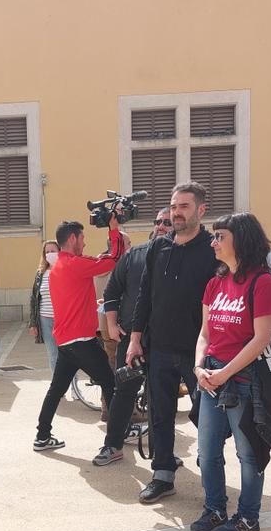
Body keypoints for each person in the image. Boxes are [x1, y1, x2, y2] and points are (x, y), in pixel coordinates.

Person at [189, 212, 271, 531]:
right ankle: (214, 509)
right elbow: (204, 333)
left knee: (248, 453)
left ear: (240, 239)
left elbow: (261, 339)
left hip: (244, 381)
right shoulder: (215, 282)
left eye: (219, 236)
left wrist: (224, 372)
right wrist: (200, 367)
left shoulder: (262, 282)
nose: (213, 242)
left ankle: (248, 517)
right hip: (211, 377)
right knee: (208, 450)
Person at [123, 184, 217, 500]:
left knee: (207, 414)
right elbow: (144, 299)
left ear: (201, 210)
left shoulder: (212, 249)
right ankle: (162, 475)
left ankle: (212, 471)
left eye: (184, 206)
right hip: (159, 348)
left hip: (200, 352)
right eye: (174, 206)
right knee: (160, 414)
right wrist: (136, 340)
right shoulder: (158, 248)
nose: (177, 212)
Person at [92, 209, 175, 467]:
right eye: (158, 222)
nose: (161, 226)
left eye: (167, 222)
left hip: (169, 342)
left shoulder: (187, 257)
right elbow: (112, 291)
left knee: (164, 397)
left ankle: (164, 455)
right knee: (124, 392)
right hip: (131, 339)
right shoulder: (134, 255)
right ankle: (113, 445)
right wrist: (113, 325)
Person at [34, 217, 124, 451]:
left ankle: (42, 437)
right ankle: (117, 436)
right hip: (82, 341)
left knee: (56, 389)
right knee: (110, 384)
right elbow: (112, 260)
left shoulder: (57, 268)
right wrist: (114, 230)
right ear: (72, 238)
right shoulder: (75, 264)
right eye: (82, 238)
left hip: (66, 341)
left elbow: (74, 298)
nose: (84, 244)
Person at [29, 240, 60, 372]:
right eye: (47, 252)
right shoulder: (40, 274)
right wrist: (33, 323)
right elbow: (34, 299)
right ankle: (58, 390)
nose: (50, 254)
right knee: (53, 355)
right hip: (45, 319)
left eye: (53, 251)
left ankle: (74, 388)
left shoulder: (65, 269)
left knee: (69, 355)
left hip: (64, 319)